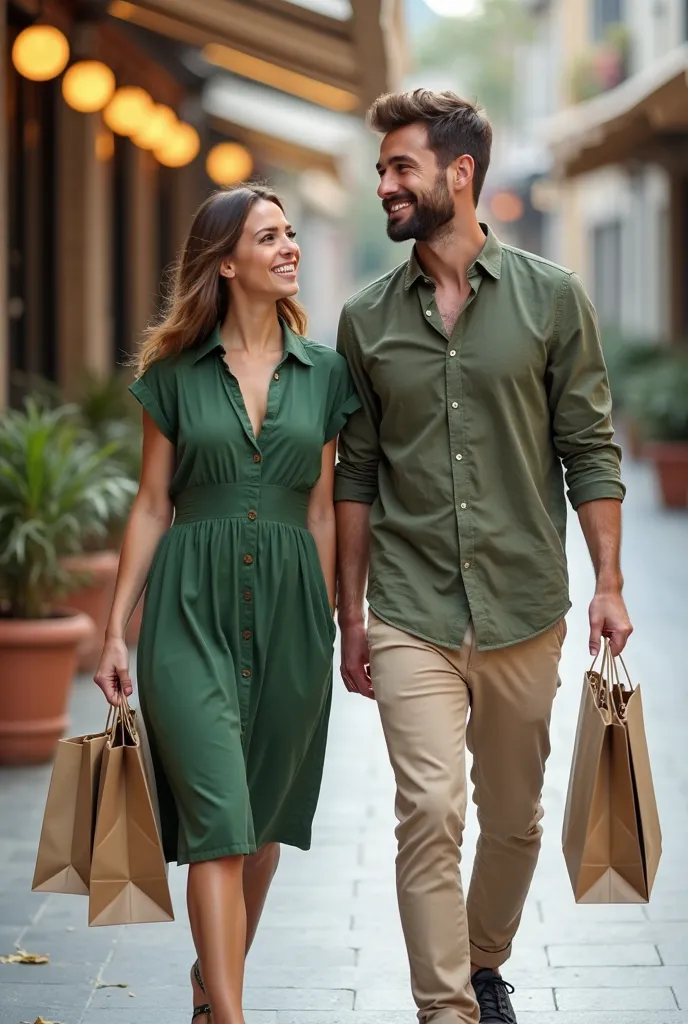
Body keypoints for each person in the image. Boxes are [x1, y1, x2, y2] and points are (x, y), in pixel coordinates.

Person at [334, 90, 633, 1024]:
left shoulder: (552, 297)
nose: (384, 184)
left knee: (513, 819)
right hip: (411, 608)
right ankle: (447, 1010)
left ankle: (482, 959)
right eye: (382, 170)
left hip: (524, 603)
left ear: (459, 175)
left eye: (400, 168)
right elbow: (358, 474)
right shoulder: (366, 319)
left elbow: (589, 447)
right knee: (429, 815)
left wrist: (610, 584)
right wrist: (353, 611)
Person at [94, 184, 360, 1024]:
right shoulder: (172, 374)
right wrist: (113, 631)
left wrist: (327, 624)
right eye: (269, 236)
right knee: (220, 820)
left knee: (264, 826)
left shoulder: (326, 374)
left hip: (291, 615)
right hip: (188, 609)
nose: (288, 248)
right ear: (227, 261)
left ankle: (213, 990)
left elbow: (321, 510)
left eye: (289, 234)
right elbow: (149, 505)